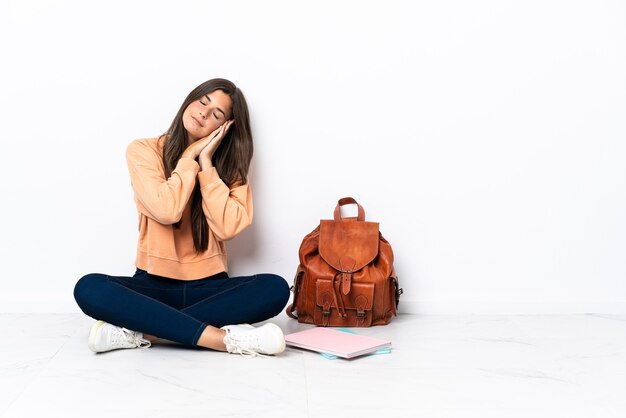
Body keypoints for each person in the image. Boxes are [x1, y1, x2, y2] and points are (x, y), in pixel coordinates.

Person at [73, 78, 290, 357]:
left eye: (217, 114)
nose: (203, 113)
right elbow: (167, 209)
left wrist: (206, 165)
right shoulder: (144, 150)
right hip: (151, 285)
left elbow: (228, 227)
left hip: (210, 287)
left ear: (225, 127)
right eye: (203, 102)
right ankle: (225, 340)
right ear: (190, 100)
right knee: (89, 288)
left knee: (274, 288)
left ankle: (142, 331)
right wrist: (188, 156)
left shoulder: (229, 168)